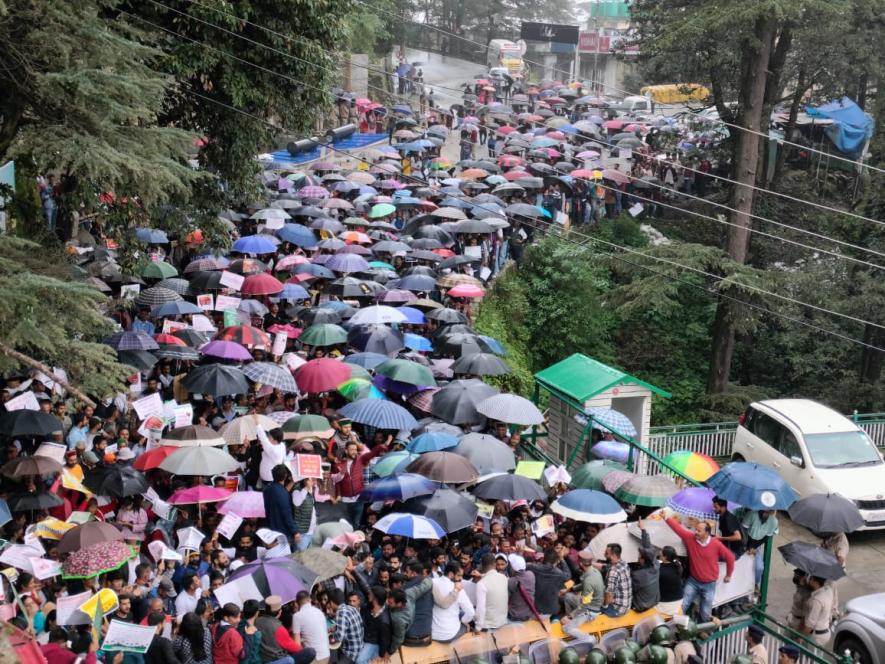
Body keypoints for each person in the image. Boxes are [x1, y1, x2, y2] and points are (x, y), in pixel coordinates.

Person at [665, 515, 735, 622]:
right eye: (696, 529)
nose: (696, 532)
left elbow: (730, 557)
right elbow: (678, 529)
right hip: (693, 581)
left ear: (707, 533)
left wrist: (729, 575)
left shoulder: (716, 544)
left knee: (705, 612)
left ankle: (702, 632)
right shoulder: (690, 537)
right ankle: (678, 627)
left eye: (699, 530)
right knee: (682, 606)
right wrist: (666, 517)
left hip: (710, 584)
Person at [256, 595, 316, 664]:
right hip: (277, 660)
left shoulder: (257, 621)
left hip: (262, 658)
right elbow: (294, 648)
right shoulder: (278, 628)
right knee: (310, 652)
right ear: (280, 612)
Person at [431, 561, 474, 643]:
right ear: (451, 574)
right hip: (449, 634)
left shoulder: (433, 582)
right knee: (467, 625)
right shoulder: (458, 589)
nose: (461, 578)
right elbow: (471, 612)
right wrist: (463, 621)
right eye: (459, 575)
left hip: (433, 633)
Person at [291, 591, 330, 664]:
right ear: (310, 600)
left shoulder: (297, 616)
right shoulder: (319, 612)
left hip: (314, 658)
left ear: (296, 602)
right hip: (326, 655)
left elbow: (296, 645)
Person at [264, 464, 297, 545]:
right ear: (285, 476)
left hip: (270, 529)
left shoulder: (267, 489)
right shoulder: (283, 494)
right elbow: (287, 514)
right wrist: (295, 532)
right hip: (282, 533)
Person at [357, 586, 391, 664]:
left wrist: (381, 655)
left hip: (373, 642)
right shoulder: (369, 606)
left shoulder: (383, 621)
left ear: (375, 598)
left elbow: (384, 640)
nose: (368, 594)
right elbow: (364, 587)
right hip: (366, 636)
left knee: (360, 661)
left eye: (371, 594)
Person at [474, 552, 508, 630]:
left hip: (488, 626)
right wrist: (481, 575)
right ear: (495, 564)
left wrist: (478, 627)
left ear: (482, 566)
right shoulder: (504, 578)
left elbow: (480, 608)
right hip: (503, 622)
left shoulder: (481, 584)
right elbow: (491, 576)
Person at [328, 588, 363, 664]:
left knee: (331, 649)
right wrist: (336, 628)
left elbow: (339, 637)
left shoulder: (340, 612)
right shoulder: (352, 608)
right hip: (359, 646)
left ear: (331, 602)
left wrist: (331, 636)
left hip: (351, 652)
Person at [632, 519, 660, 612]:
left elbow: (630, 590)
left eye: (639, 557)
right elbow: (648, 546)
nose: (638, 558)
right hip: (654, 601)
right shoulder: (656, 565)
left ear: (643, 560)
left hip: (641, 606)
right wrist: (643, 529)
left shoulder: (638, 575)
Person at [600, 543, 631, 618]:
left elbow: (609, 597)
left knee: (591, 605)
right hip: (626, 606)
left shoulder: (613, 571)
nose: (604, 555)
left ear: (613, 555)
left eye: (606, 553)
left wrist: (603, 605)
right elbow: (605, 566)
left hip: (617, 610)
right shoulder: (623, 563)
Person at [802, 575, 835, 646]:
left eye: (811, 579)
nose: (809, 580)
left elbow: (810, 624)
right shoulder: (828, 590)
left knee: (810, 656)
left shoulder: (816, 600)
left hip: (816, 636)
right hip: (825, 632)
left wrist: (801, 637)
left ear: (815, 582)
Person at [506, 553, 536, 622]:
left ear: (513, 569)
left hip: (514, 616)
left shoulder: (511, 581)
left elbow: (506, 599)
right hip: (528, 614)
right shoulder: (531, 575)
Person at [657, 545, 684, 615]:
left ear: (665, 557)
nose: (659, 552)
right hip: (678, 602)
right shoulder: (678, 565)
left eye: (661, 552)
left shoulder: (660, 571)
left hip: (665, 605)